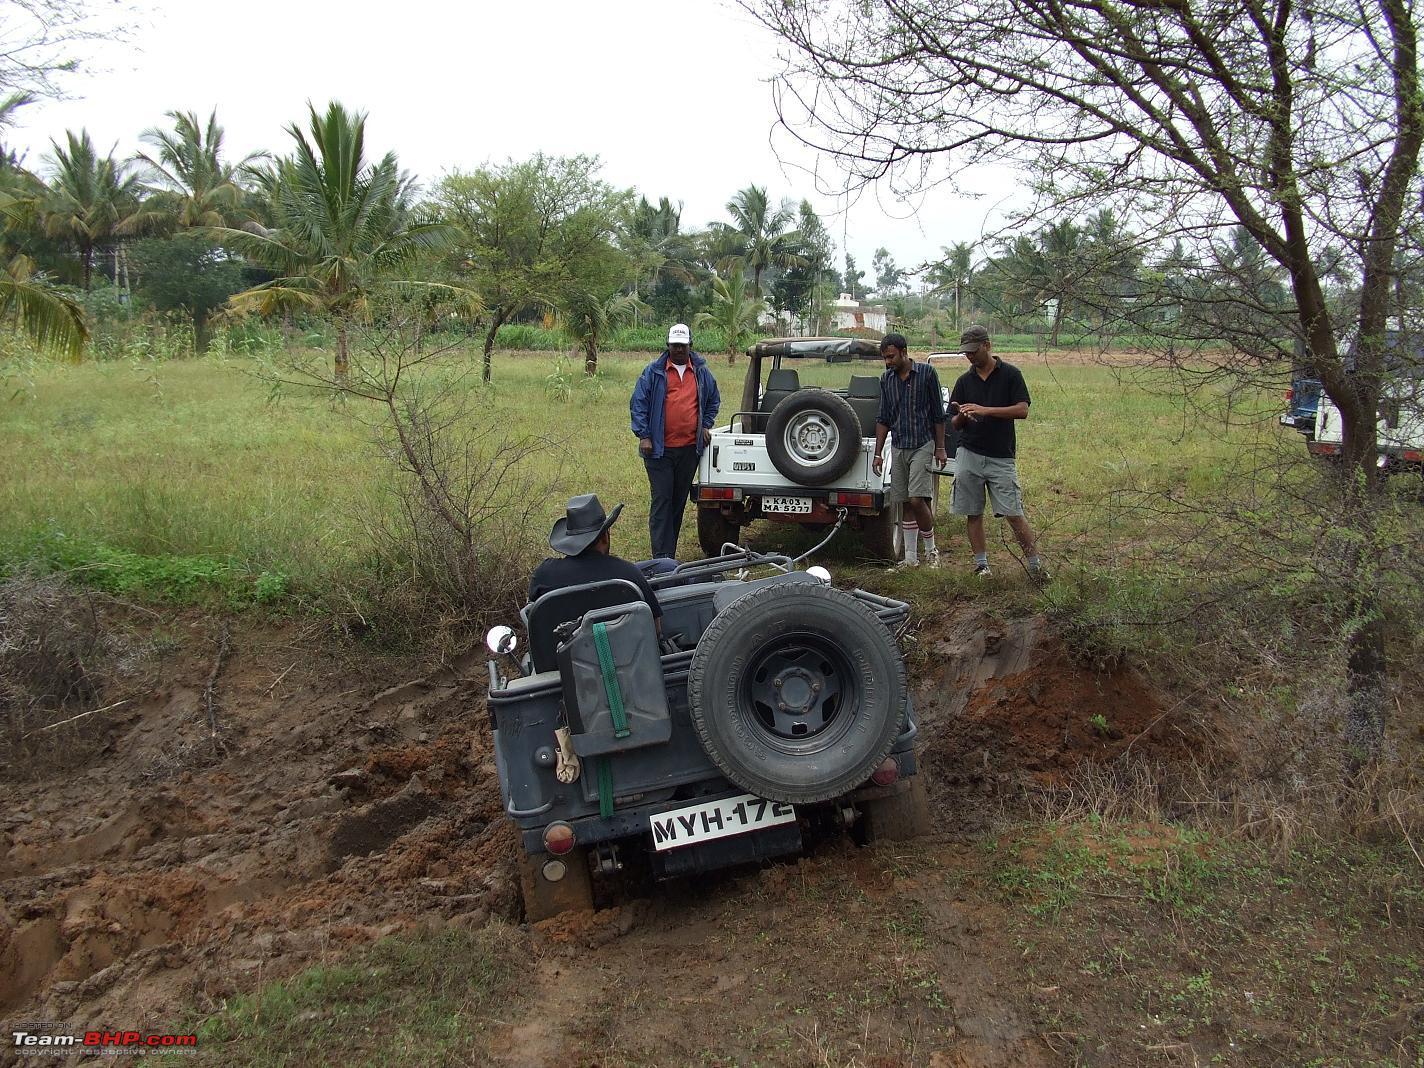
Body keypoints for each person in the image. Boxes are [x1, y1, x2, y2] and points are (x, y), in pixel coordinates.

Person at [947, 325, 1047, 581]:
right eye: (966, 352)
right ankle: (981, 566)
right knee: (973, 512)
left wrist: (985, 410)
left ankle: (1035, 566)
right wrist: (963, 415)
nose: (970, 356)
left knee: (1013, 513)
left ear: (987, 346)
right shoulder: (964, 381)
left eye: (973, 351)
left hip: (1001, 455)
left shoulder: (1011, 374)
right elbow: (954, 423)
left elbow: (1022, 410)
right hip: (969, 451)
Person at [629, 323, 722, 559]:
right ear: (668, 345)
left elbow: (713, 400)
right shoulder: (654, 372)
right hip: (658, 451)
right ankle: (661, 558)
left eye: (683, 345)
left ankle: (668, 554)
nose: (679, 349)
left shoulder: (701, 372)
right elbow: (638, 403)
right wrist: (644, 435)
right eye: (674, 345)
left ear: (690, 345)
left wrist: (705, 424)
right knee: (662, 500)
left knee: (678, 502)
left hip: (689, 450)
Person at [528, 494, 663, 632]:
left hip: (559, 647)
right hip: (627, 647)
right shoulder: (629, 574)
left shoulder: (544, 575)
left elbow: (533, 622)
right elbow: (655, 629)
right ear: (605, 537)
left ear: (568, 541)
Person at [871, 332, 948, 567]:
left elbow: (938, 414)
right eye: (885, 358)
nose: (888, 362)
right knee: (904, 500)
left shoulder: (927, 373)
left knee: (917, 499)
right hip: (898, 445)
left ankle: (931, 551)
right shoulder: (886, 379)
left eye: (891, 357)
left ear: (904, 352)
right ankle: (911, 558)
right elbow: (883, 418)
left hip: (922, 443)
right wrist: (878, 453)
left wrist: (940, 447)